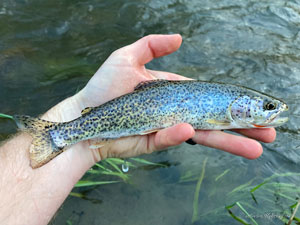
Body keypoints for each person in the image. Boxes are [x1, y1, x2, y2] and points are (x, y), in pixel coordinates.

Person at [0, 34, 276, 225]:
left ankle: (61, 134)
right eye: (267, 106)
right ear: (243, 104)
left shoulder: (231, 108)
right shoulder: (226, 109)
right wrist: (77, 112)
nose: (272, 111)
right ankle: (59, 134)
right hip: (117, 115)